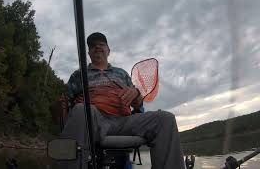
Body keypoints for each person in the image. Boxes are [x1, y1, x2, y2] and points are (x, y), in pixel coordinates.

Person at [59, 32, 185, 169]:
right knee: (80, 109)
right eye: (93, 46)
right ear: (88, 53)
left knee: (165, 119)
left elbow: (137, 105)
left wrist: (136, 93)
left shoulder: (121, 73)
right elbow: (66, 105)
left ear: (108, 50)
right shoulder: (78, 75)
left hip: (124, 121)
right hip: (93, 121)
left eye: (101, 44)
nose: (97, 47)